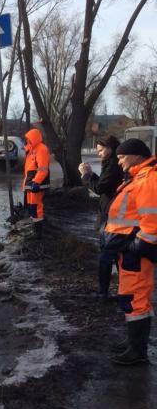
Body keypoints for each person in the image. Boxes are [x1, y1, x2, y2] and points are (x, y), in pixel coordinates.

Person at [102, 138, 157, 366]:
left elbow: (152, 222)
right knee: (130, 297)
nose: (119, 160)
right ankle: (133, 343)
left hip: (136, 251)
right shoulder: (138, 178)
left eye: (122, 156)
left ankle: (137, 351)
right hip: (128, 250)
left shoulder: (148, 180)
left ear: (135, 156)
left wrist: (137, 246)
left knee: (136, 298)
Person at [79, 135, 124, 299]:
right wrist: (91, 174)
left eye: (100, 150)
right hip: (112, 213)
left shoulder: (113, 166)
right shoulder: (112, 164)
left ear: (109, 148)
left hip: (111, 215)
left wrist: (85, 175)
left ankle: (103, 292)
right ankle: (120, 289)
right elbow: (105, 185)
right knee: (117, 255)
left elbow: (99, 189)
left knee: (107, 255)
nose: (98, 154)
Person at [22, 128, 50, 237]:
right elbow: (29, 169)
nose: (27, 141)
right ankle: (34, 229)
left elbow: (42, 168)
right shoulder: (32, 150)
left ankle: (38, 233)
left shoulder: (41, 149)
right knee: (31, 207)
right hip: (31, 183)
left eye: (28, 139)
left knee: (36, 207)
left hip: (36, 183)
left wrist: (37, 182)